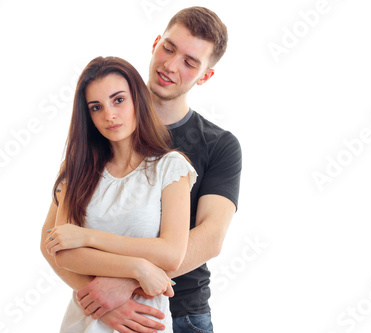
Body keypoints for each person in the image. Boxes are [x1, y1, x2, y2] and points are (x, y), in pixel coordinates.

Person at [40, 6, 242, 333]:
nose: (171, 65)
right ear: (155, 42)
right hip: (100, 312)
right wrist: (99, 299)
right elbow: (54, 240)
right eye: (169, 48)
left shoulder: (218, 145)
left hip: (181, 312)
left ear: (206, 76)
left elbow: (210, 239)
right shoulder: (99, 132)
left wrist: (126, 284)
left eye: (190, 62)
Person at [43, 56, 197, 332]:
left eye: (118, 100)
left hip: (145, 323)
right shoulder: (77, 167)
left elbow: (172, 253)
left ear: (137, 98)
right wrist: (138, 268)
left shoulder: (171, 168)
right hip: (86, 321)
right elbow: (64, 254)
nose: (109, 115)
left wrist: (88, 237)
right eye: (96, 107)